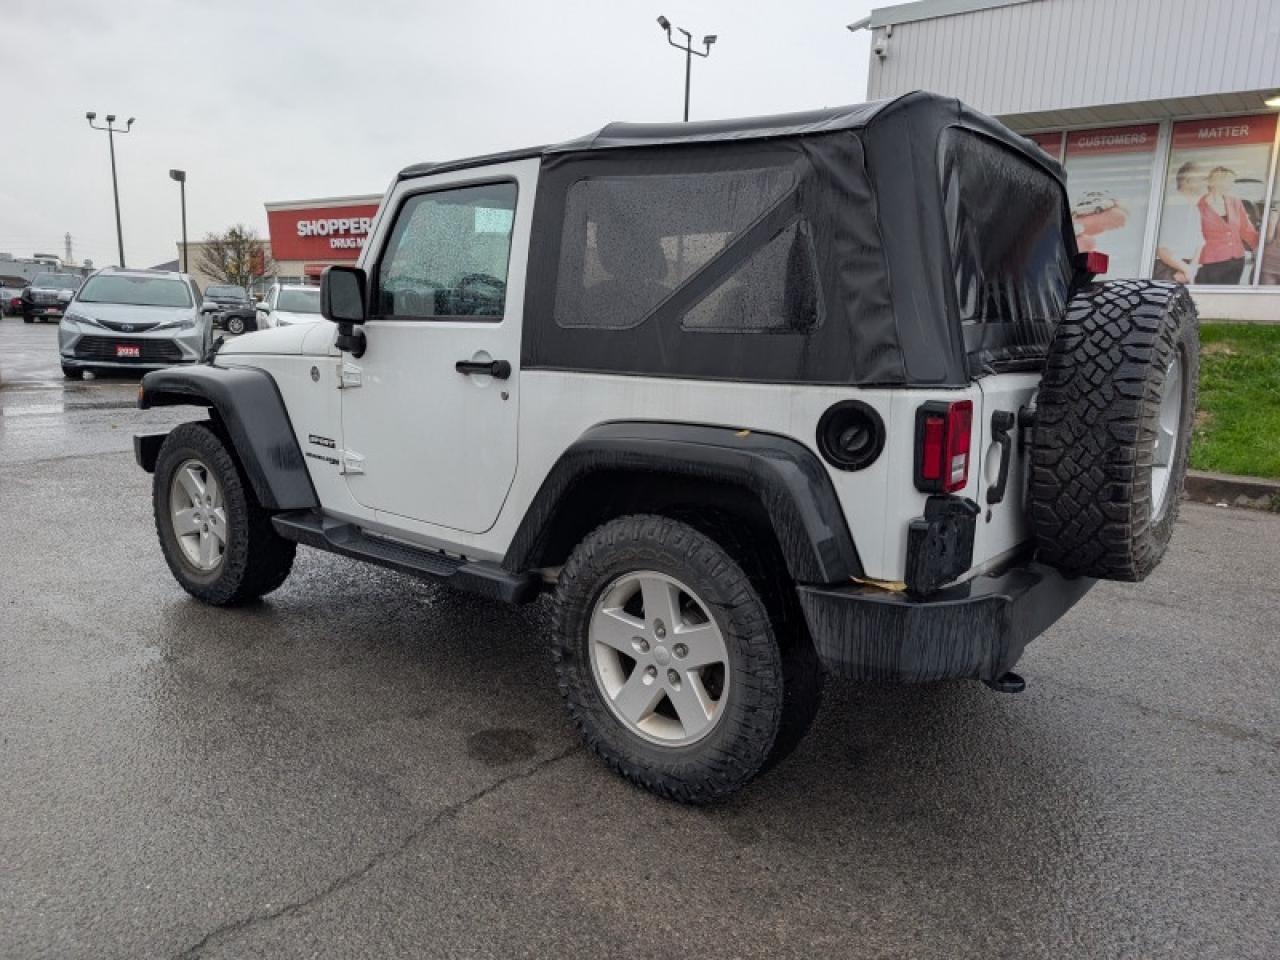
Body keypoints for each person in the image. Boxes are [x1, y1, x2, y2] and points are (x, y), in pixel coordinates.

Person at [1196, 166, 1259, 285]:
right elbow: (1195, 237)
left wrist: (1258, 249)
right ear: (1212, 182)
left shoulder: (1235, 202)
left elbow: (1246, 230)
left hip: (1236, 260)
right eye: (1225, 180)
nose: (1229, 185)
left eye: (1231, 181)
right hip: (1212, 262)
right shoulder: (1199, 206)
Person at [1154, 161, 1206, 283]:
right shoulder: (1172, 207)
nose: (1203, 183)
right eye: (1199, 179)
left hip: (1183, 270)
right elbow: (1162, 249)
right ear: (1186, 182)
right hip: (1168, 270)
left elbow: (1199, 243)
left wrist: (1190, 269)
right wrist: (1187, 270)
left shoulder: (1193, 208)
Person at [1261, 199, 1280, 286]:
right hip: (1271, 261)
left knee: (1266, 297)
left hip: (1271, 260)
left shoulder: (1276, 212)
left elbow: (1268, 238)